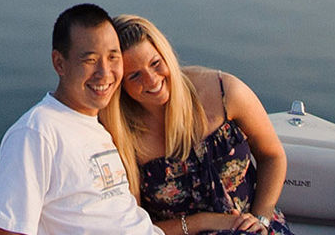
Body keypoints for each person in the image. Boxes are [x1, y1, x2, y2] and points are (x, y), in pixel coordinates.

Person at [100, 15, 292, 235]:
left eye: (155, 63)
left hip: (254, 227)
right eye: (135, 75)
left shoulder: (224, 92)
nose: (152, 80)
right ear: (120, 83)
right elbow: (133, 226)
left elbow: (272, 155)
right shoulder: (119, 135)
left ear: (166, 55)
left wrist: (261, 219)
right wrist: (204, 222)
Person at [0, 4, 165, 235]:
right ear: (59, 63)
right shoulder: (37, 132)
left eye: (113, 57)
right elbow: (8, 231)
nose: (105, 73)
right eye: (90, 60)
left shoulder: (96, 127)